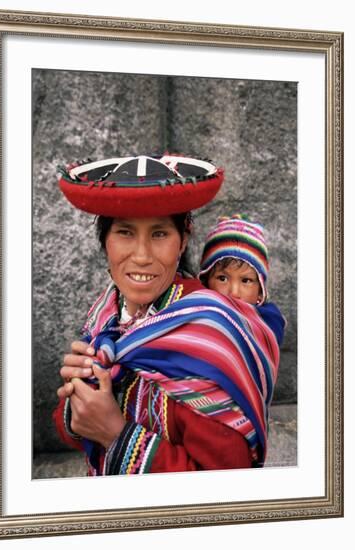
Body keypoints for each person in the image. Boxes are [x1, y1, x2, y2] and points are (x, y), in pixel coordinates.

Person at [53, 155, 284, 476]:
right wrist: (77, 397)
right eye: (125, 232)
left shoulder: (207, 330)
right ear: (105, 242)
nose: (142, 256)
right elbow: (74, 429)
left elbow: (228, 482)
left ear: (183, 239)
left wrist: (116, 435)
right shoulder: (106, 314)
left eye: (159, 234)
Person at [198, 214, 286, 343]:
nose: (234, 292)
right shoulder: (194, 312)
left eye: (246, 281)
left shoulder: (269, 323)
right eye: (222, 278)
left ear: (260, 293)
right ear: (205, 282)